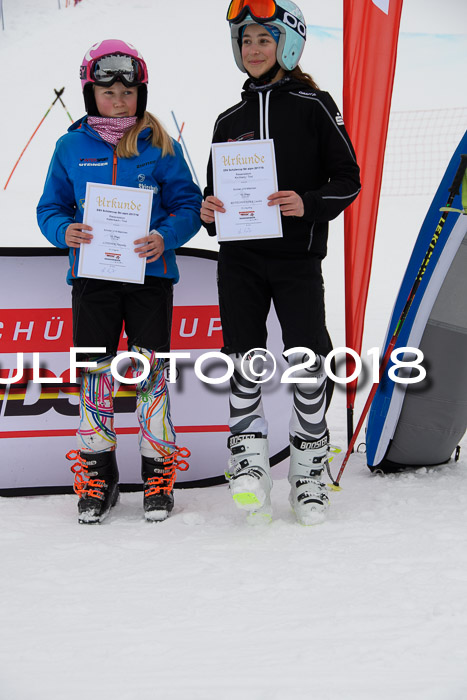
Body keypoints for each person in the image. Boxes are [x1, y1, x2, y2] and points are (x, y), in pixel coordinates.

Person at [200, 1, 361, 525]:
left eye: (264, 40)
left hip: (295, 260)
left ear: (287, 45)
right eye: (245, 40)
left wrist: (307, 203)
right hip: (240, 261)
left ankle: (309, 468)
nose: (253, 49)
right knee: (242, 357)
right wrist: (209, 209)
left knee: (308, 358)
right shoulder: (229, 120)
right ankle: (248, 462)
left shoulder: (314, 105)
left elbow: (348, 179)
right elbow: (213, 196)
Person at [37, 40, 202, 524]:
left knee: (150, 377)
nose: (119, 99)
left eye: (128, 91)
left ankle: (156, 474)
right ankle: (98, 477)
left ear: (140, 94)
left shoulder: (160, 144)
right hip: (92, 279)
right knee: (95, 376)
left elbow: (188, 205)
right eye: (108, 91)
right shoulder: (70, 147)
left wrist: (165, 236)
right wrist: (63, 230)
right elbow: (50, 208)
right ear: (91, 94)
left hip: (150, 278)